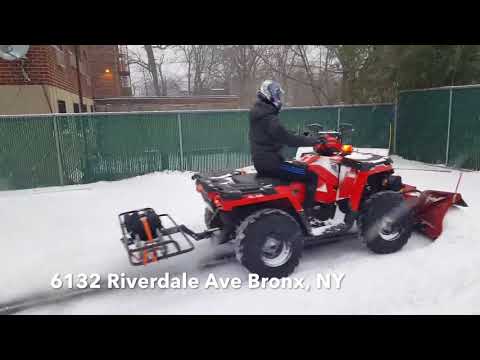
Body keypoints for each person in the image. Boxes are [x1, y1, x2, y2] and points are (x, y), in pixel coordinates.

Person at [249, 80, 323, 217]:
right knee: (311, 175)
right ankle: (308, 213)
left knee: (296, 168)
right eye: (277, 95)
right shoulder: (269, 118)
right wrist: (312, 141)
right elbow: (288, 139)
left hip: (262, 162)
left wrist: (295, 134)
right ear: (270, 95)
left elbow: (278, 134)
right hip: (273, 164)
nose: (279, 98)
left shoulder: (259, 113)